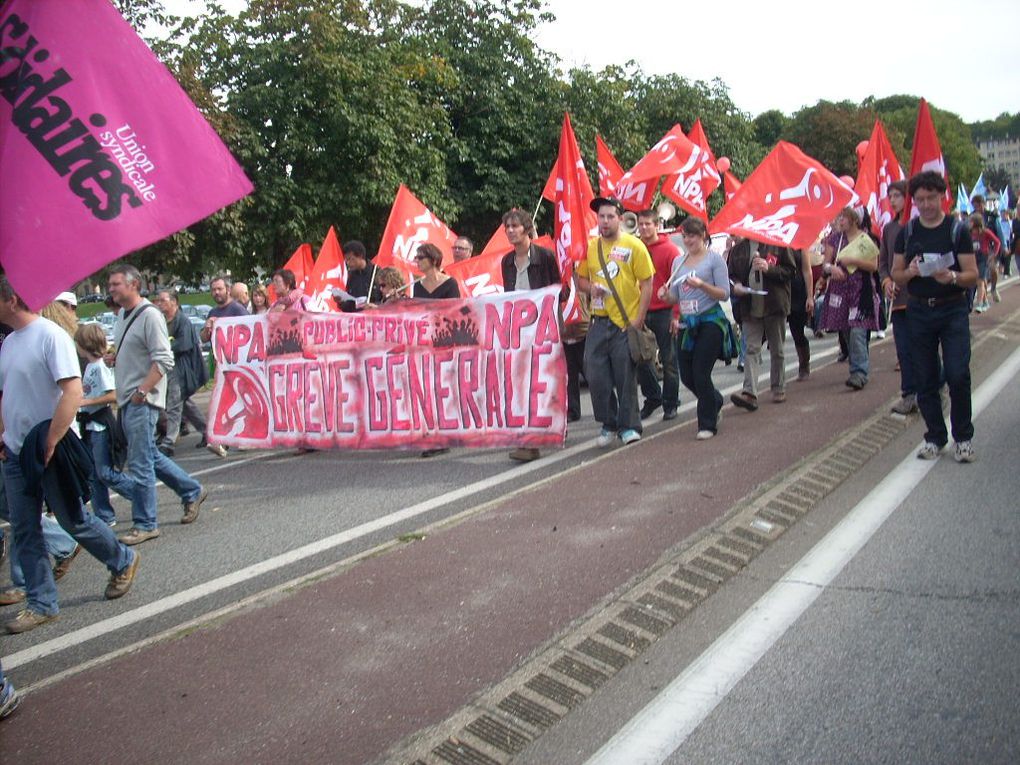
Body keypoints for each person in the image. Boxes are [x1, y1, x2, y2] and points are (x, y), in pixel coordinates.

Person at [0, 276, 140, 635]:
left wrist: (51, 441)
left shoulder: (51, 336)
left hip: (51, 448)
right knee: (25, 528)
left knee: (74, 520)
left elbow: (72, 392)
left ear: (12, 300)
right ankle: (42, 602)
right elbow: (6, 396)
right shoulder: (9, 343)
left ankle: (122, 559)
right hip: (16, 452)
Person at [108, 264, 207, 544]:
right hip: (129, 399)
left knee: (139, 463)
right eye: (110, 283)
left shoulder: (149, 315)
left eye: (116, 283)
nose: (111, 288)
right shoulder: (123, 317)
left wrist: (142, 391)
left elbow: (164, 359)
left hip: (141, 399)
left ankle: (146, 522)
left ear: (134, 284)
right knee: (149, 456)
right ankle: (191, 490)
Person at [892, 171, 979, 462]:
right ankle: (935, 436)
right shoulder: (909, 231)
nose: (926, 204)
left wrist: (952, 276)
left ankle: (963, 437)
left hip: (952, 308)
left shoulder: (957, 229)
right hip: (919, 309)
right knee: (925, 378)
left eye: (931, 198)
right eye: (920, 200)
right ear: (913, 202)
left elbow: (972, 276)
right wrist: (912, 272)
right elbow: (896, 274)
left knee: (957, 373)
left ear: (942, 196)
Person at [576, 196, 654, 447]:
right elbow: (580, 281)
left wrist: (638, 319)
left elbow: (647, 283)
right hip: (599, 322)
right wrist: (592, 289)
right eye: (601, 217)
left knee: (625, 377)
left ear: (620, 219)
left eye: (610, 216)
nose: (605, 221)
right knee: (596, 376)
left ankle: (629, 426)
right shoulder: (590, 247)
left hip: (624, 323)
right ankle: (608, 423)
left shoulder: (634, 246)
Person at [656, 217, 732, 440]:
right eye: (686, 235)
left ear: (703, 236)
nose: (688, 240)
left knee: (701, 372)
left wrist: (702, 285)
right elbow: (675, 297)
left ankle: (707, 423)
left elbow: (724, 293)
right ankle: (714, 400)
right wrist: (665, 296)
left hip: (710, 321)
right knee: (687, 375)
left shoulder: (714, 260)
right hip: (687, 323)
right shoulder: (678, 262)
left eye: (693, 235)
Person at [499, 208, 562, 462]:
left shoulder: (544, 257)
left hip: (544, 329)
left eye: (515, 226)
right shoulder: (506, 262)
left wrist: (550, 320)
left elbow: (559, 290)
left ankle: (540, 435)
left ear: (527, 229)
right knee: (521, 384)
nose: (511, 231)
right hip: (519, 331)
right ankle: (531, 438)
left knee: (543, 382)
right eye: (508, 227)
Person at [75, 322, 134, 527]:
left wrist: (85, 402)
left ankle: (140, 495)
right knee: (94, 474)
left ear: (85, 345)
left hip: (101, 424)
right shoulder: (90, 366)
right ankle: (104, 516)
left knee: (105, 472)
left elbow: (112, 395)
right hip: (90, 426)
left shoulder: (99, 367)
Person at [728, 236, 797, 408]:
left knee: (777, 348)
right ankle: (750, 392)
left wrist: (770, 269)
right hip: (749, 306)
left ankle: (778, 387)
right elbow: (731, 276)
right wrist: (735, 286)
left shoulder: (778, 244)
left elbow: (790, 271)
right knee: (751, 348)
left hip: (774, 304)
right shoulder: (738, 249)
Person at [818, 207, 881, 390]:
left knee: (857, 331)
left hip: (861, 291)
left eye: (843, 217)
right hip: (840, 290)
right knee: (846, 331)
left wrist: (854, 262)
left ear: (854, 219)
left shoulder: (865, 238)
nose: (840, 220)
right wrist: (831, 270)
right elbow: (826, 264)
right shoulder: (835, 239)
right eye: (839, 217)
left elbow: (873, 266)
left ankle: (859, 372)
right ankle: (859, 363)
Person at [154, 290, 221, 458]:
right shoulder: (162, 321)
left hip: (182, 369)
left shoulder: (182, 321)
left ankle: (169, 442)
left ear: (174, 302)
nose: (160, 303)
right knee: (184, 404)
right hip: (170, 368)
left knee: (174, 404)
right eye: (158, 301)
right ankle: (207, 432)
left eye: (163, 300)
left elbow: (184, 344)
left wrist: (165, 348)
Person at [635, 209, 681, 421]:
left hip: (665, 312)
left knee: (669, 359)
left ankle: (670, 403)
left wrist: (676, 314)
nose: (644, 228)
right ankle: (653, 397)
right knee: (641, 359)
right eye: (641, 224)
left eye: (648, 224)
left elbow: (679, 284)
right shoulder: (635, 248)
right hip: (641, 311)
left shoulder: (670, 250)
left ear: (657, 225)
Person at [879, 181, 917, 414]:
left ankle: (934, 386)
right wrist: (886, 281)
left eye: (897, 195)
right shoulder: (889, 229)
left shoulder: (916, 225)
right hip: (898, 300)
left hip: (920, 298)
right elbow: (883, 263)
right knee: (903, 350)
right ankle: (909, 395)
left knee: (924, 348)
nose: (893, 200)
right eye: (890, 196)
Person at [202, 274, 250, 344]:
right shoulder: (212, 312)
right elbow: (203, 339)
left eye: (219, 289)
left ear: (228, 290)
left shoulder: (239, 310)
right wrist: (206, 329)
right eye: (213, 290)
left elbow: (250, 334)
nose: (216, 292)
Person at [335, 240, 382, 311]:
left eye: (350, 259)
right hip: (357, 319)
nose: (348, 263)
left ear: (360, 256)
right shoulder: (350, 276)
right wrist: (341, 302)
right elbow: (350, 306)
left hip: (375, 318)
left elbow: (388, 302)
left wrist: (376, 306)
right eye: (346, 260)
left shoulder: (377, 272)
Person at [968, 213, 1000, 313]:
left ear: (975, 223)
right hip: (973, 258)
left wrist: (994, 254)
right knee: (978, 281)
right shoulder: (969, 233)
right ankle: (985, 302)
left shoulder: (985, 232)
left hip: (983, 257)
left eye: (971, 221)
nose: (969, 223)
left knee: (980, 281)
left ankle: (980, 304)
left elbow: (997, 242)